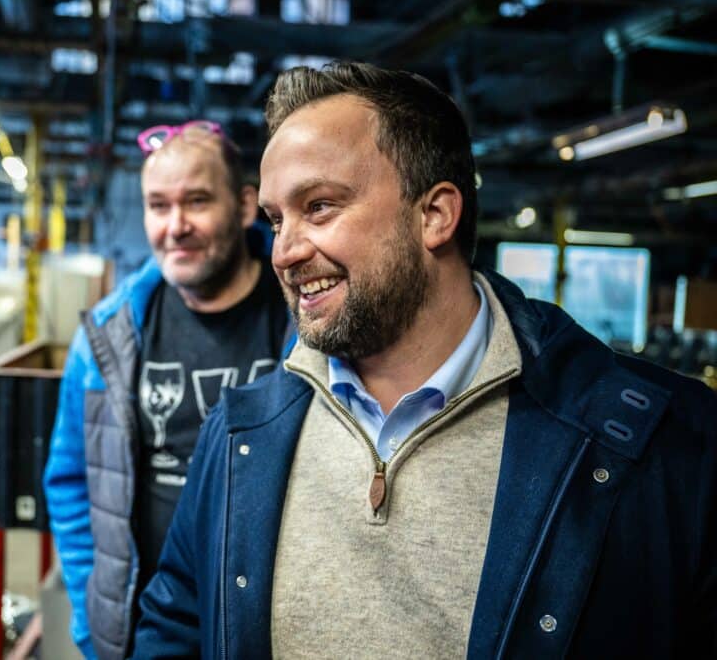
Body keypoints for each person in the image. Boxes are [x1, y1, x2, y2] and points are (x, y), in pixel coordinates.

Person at [133, 62, 717, 658]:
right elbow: (176, 624)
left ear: (434, 214)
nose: (283, 252)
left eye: (320, 207)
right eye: (277, 220)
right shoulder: (241, 433)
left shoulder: (660, 444)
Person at [44, 120, 291, 659]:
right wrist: (94, 619)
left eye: (197, 201)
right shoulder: (108, 336)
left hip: (269, 630)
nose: (175, 226)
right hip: (146, 633)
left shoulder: (303, 326)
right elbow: (69, 483)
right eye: (158, 206)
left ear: (244, 206)